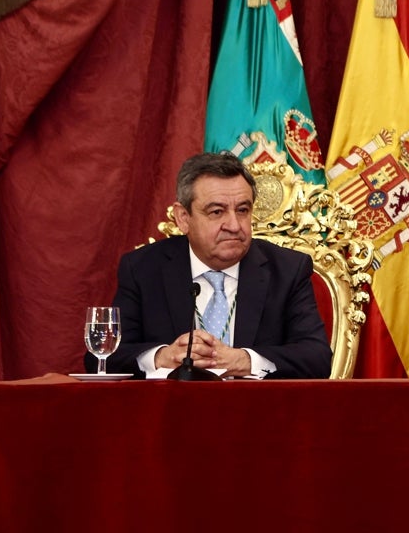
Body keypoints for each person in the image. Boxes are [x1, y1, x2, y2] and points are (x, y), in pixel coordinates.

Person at [85, 152, 332, 378]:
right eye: (217, 212)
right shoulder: (143, 269)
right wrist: (161, 357)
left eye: (243, 210)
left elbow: (317, 358)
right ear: (183, 218)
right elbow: (101, 357)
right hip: (170, 418)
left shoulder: (288, 269)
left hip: (259, 417)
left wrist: (244, 360)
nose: (234, 225)